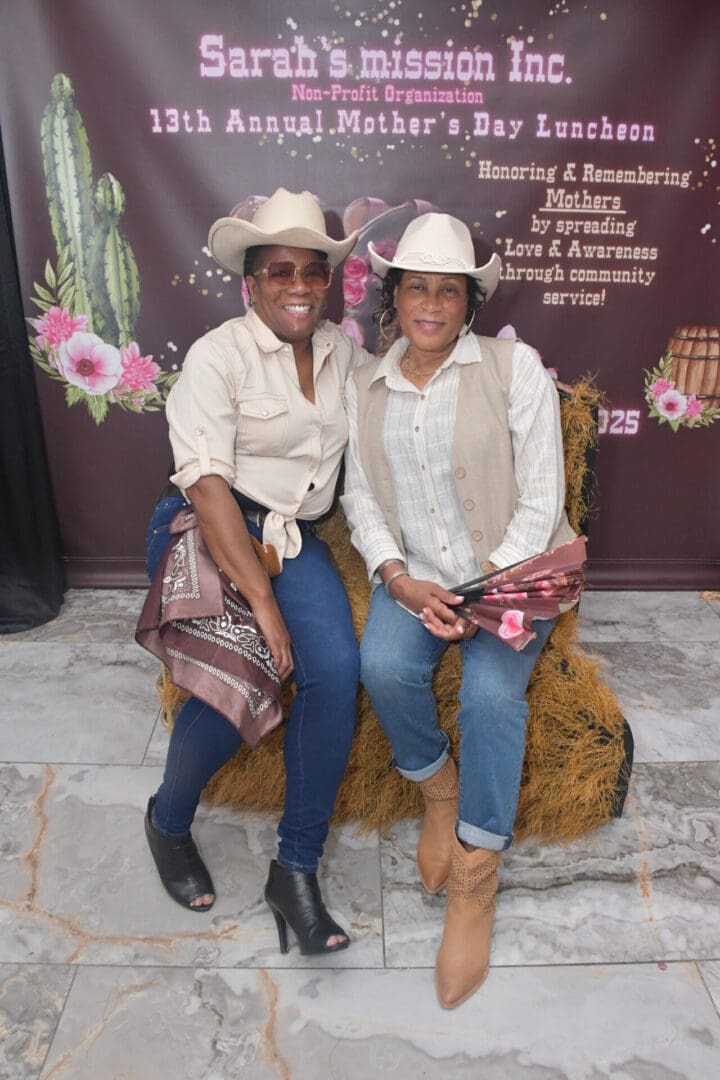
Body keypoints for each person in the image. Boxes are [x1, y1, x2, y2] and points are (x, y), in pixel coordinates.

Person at [341, 212, 576, 1005]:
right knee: (382, 665)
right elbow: (360, 497)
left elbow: (542, 497)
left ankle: (477, 872)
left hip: (513, 576)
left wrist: (479, 597)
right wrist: (396, 576)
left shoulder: (514, 368)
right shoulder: (366, 386)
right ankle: (439, 790)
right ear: (395, 298)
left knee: (490, 696)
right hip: (420, 579)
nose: (432, 305)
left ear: (469, 303)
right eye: (418, 288)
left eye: (449, 291)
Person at [144, 187, 370, 955]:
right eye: (280, 270)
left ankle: (294, 870)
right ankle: (167, 820)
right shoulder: (218, 356)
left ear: (328, 281)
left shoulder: (345, 354)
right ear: (252, 282)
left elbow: (403, 394)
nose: (298, 286)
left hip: (290, 538)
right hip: (209, 529)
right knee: (245, 672)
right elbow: (207, 487)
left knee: (336, 672)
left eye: (313, 270)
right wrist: (265, 610)